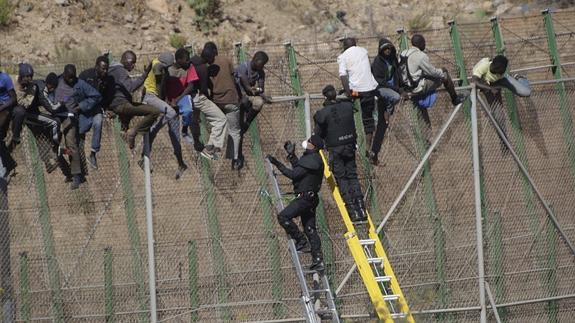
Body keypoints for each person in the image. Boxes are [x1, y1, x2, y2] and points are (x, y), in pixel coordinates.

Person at [267, 135, 325, 271]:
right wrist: (292, 155)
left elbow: (294, 174)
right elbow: (300, 170)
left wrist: (276, 163)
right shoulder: (313, 159)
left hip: (305, 199)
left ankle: (301, 240)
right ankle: (318, 259)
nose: (307, 142)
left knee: (283, 217)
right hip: (310, 199)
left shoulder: (312, 160)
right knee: (310, 229)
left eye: (310, 142)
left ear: (314, 146)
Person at [314, 85, 367, 223]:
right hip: (350, 147)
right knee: (352, 176)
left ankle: (352, 211)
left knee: (342, 179)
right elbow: (350, 104)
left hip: (336, 149)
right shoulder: (347, 107)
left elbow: (318, 134)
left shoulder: (322, 113)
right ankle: (361, 209)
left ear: (325, 96)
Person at [399, 34, 465, 127]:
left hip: (407, 87)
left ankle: (427, 131)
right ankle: (455, 99)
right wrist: (443, 73)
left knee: (422, 118)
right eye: (424, 43)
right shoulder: (421, 56)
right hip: (417, 87)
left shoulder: (403, 53)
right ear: (421, 43)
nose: (425, 45)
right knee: (444, 74)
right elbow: (432, 72)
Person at [54, 64, 102, 189]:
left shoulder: (80, 84)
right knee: (53, 147)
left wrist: (81, 106)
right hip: (55, 117)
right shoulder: (57, 82)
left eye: (73, 78)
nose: (71, 80)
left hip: (70, 118)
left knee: (71, 145)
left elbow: (96, 96)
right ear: (63, 74)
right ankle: (67, 172)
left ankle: (76, 175)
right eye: (69, 78)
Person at [142, 51, 187, 179]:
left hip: (164, 103)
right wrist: (163, 102)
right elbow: (157, 83)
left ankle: (180, 163)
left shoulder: (162, 69)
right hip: (156, 101)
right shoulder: (158, 67)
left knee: (172, 133)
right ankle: (144, 158)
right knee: (151, 131)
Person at [337, 37, 382, 165]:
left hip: (356, 92)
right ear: (355, 44)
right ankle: (368, 148)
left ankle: (353, 144)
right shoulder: (363, 51)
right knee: (368, 121)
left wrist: (348, 92)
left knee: (348, 115)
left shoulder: (343, 56)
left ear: (344, 47)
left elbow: (343, 75)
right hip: (369, 89)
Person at [11, 64, 62, 174]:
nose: (30, 79)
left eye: (31, 76)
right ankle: (55, 149)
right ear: (21, 76)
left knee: (40, 136)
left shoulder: (33, 87)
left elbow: (25, 103)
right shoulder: (12, 81)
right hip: (22, 114)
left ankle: (48, 161)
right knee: (54, 122)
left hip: (27, 112)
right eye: (27, 76)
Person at [472, 55, 531, 147]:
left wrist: (501, 78)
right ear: (495, 68)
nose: (500, 74)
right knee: (498, 115)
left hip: (500, 81)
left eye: (502, 73)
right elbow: (475, 81)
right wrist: (489, 88)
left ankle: (519, 78)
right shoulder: (484, 66)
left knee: (526, 92)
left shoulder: (502, 73)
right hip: (487, 84)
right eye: (500, 73)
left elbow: (502, 75)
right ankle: (504, 141)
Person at [108, 50, 160, 150]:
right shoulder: (120, 71)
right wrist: (145, 75)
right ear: (125, 60)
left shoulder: (112, 69)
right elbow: (131, 87)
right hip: (121, 105)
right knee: (155, 111)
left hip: (115, 105)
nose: (133, 66)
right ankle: (133, 132)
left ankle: (125, 130)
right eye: (132, 62)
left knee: (132, 107)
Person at [205, 42, 244, 170]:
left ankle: (213, 151)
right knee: (234, 131)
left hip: (216, 102)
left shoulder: (206, 65)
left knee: (218, 126)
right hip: (231, 100)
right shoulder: (226, 60)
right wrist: (239, 95)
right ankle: (234, 158)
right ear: (216, 51)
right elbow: (234, 80)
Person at [189, 47, 228, 160]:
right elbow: (203, 89)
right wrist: (210, 98)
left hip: (188, 98)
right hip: (198, 98)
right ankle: (210, 148)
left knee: (195, 120)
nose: (213, 59)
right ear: (209, 57)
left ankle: (197, 143)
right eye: (213, 57)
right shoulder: (203, 68)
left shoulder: (192, 61)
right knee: (221, 120)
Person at [79, 55, 116, 169]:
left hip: (96, 108)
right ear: (96, 67)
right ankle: (79, 158)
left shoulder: (109, 80)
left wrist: (108, 108)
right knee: (81, 130)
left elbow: (109, 96)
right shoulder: (85, 76)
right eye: (103, 68)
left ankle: (93, 153)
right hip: (84, 108)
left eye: (106, 69)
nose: (105, 71)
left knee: (98, 122)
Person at [370, 38, 402, 165]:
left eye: (389, 48)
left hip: (392, 89)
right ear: (381, 50)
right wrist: (396, 89)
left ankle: (374, 152)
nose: (387, 51)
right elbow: (379, 81)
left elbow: (397, 74)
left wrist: (400, 87)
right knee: (396, 97)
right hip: (381, 90)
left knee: (382, 127)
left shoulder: (393, 59)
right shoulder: (378, 62)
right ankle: (386, 112)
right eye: (385, 49)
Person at [234, 51, 271, 133]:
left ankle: (248, 121)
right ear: (255, 59)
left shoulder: (260, 72)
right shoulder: (243, 67)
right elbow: (246, 86)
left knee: (259, 102)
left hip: (249, 95)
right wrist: (252, 90)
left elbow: (261, 89)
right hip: (238, 94)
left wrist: (264, 96)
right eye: (262, 63)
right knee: (244, 101)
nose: (263, 66)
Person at [0, 70, 17, 177]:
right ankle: (9, 163)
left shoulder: (5, 78)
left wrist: (1, 107)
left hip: (6, 108)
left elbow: (13, 98)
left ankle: (9, 163)